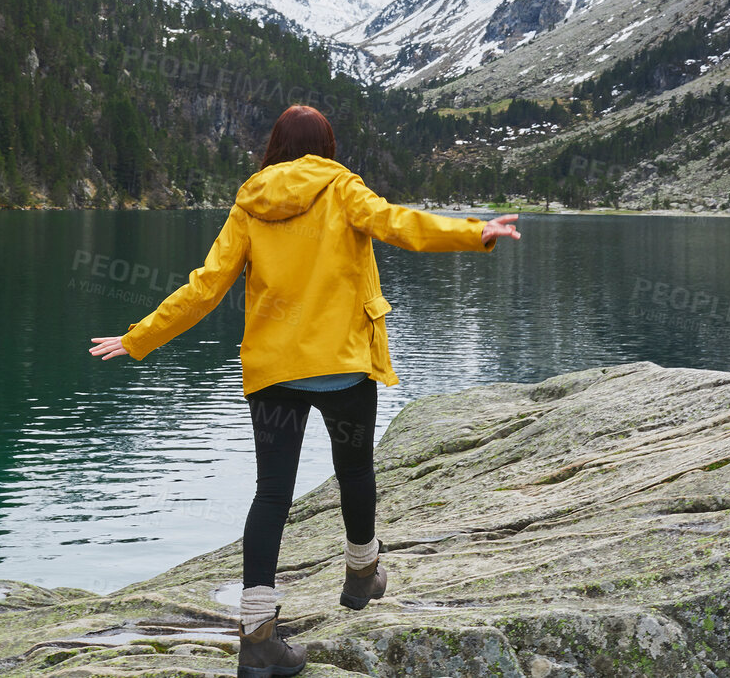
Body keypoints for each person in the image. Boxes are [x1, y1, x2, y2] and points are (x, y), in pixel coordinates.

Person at [90, 105, 519, 678]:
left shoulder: (250, 204)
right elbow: (399, 224)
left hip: (273, 375)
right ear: (326, 146)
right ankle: (362, 572)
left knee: (271, 497)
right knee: (355, 472)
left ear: (275, 145)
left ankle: (258, 639)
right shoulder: (342, 189)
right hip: (343, 366)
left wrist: (138, 338)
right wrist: (475, 233)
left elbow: (206, 288)